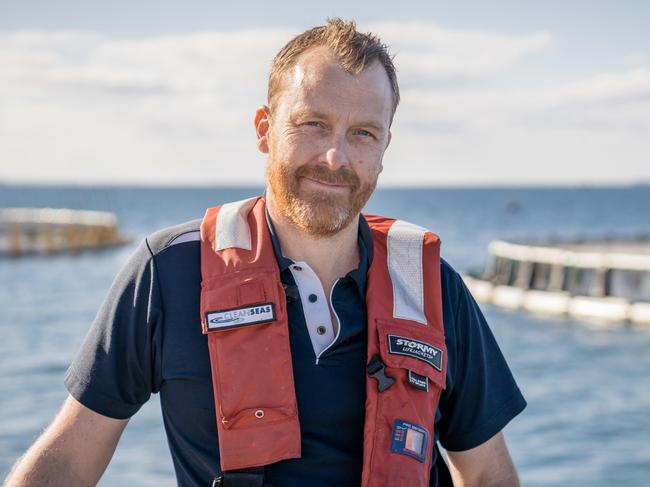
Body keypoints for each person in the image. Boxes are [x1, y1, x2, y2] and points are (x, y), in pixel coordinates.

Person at [4, 19, 526, 487]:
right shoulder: (170, 271)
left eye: (362, 134)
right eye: (312, 124)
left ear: (384, 149)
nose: (334, 158)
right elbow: (69, 462)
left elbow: (486, 474)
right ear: (263, 130)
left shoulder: (431, 286)